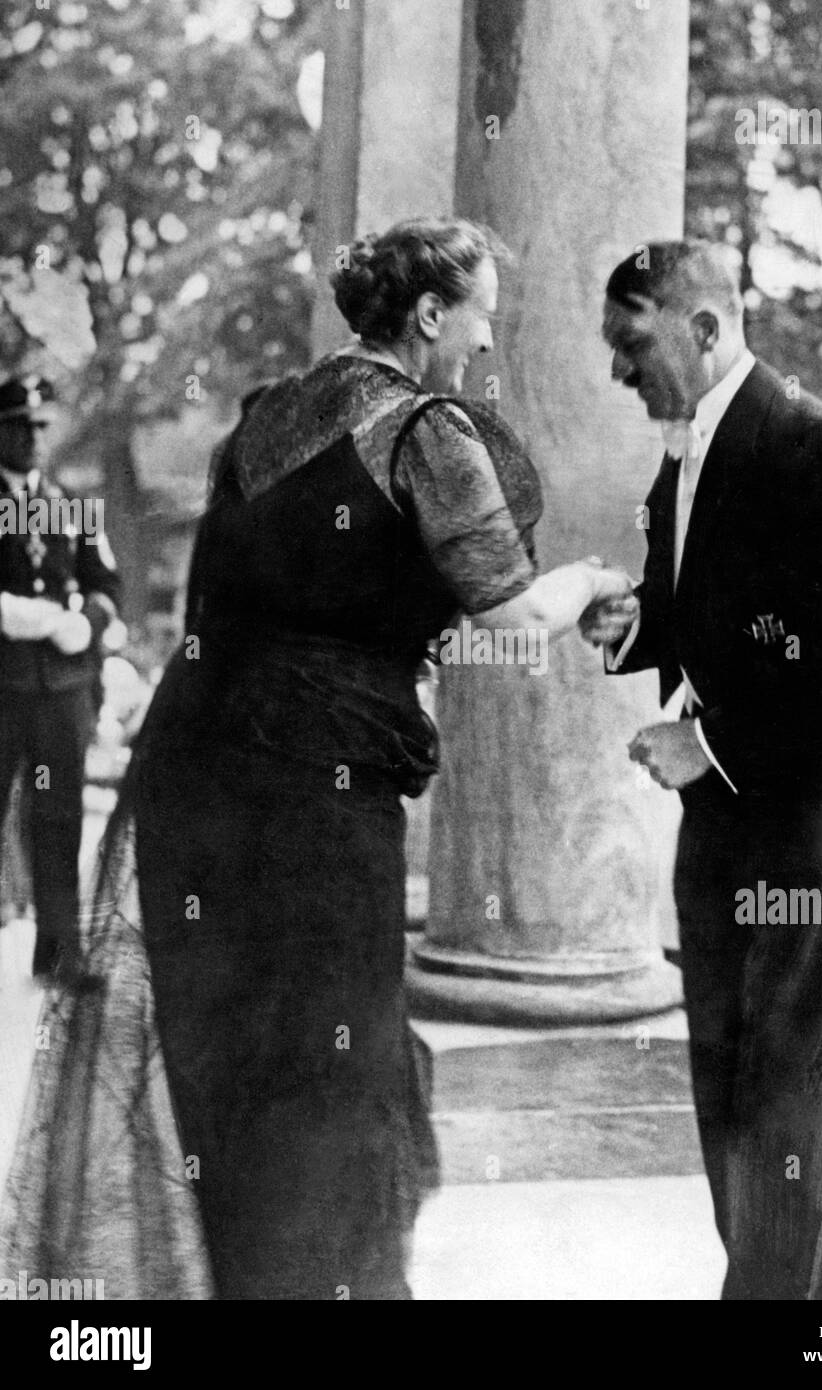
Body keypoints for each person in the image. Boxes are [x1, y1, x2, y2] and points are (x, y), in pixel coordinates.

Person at [0, 218, 632, 1301]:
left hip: (199, 788)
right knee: (330, 1071)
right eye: (478, 315)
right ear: (430, 315)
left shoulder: (261, 421)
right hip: (318, 799)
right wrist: (588, 578)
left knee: (234, 1056)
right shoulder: (426, 429)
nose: (484, 343)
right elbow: (510, 606)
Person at [587, 239, 822, 1300]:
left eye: (631, 344)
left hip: (819, 830)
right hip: (733, 828)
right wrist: (633, 621)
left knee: (797, 1123)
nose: (616, 371)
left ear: (704, 328)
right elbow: (703, 614)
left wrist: (713, 742)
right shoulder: (681, 453)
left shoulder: (814, 443)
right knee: (736, 1107)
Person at [0, 375, 121, 982]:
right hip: (3, 685)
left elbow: (107, 586)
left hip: (62, 687)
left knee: (58, 815)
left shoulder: (71, 502)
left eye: (41, 425)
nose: (32, 437)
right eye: (19, 425)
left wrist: (88, 622)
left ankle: (60, 949)